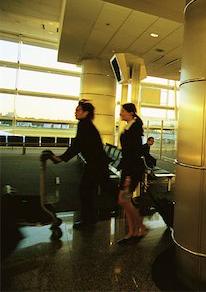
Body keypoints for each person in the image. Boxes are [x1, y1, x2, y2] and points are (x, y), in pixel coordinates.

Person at [53, 100, 110, 230]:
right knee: (89, 190)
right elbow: (78, 145)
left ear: (86, 113)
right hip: (96, 163)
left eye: (78, 110)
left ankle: (89, 219)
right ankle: (90, 218)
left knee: (86, 190)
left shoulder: (85, 125)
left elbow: (77, 145)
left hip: (96, 164)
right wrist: (63, 157)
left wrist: (61, 158)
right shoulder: (85, 124)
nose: (75, 112)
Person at [117, 103, 147, 244]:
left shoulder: (133, 129)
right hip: (129, 168)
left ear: (130, 113)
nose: (120, 114)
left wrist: (128, 176)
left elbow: (133, 153)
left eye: (122, 111)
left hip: (132, 170)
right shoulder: (130, 127)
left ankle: (137, 228)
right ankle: (133, 230)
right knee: (124, 200)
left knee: (124, 199)